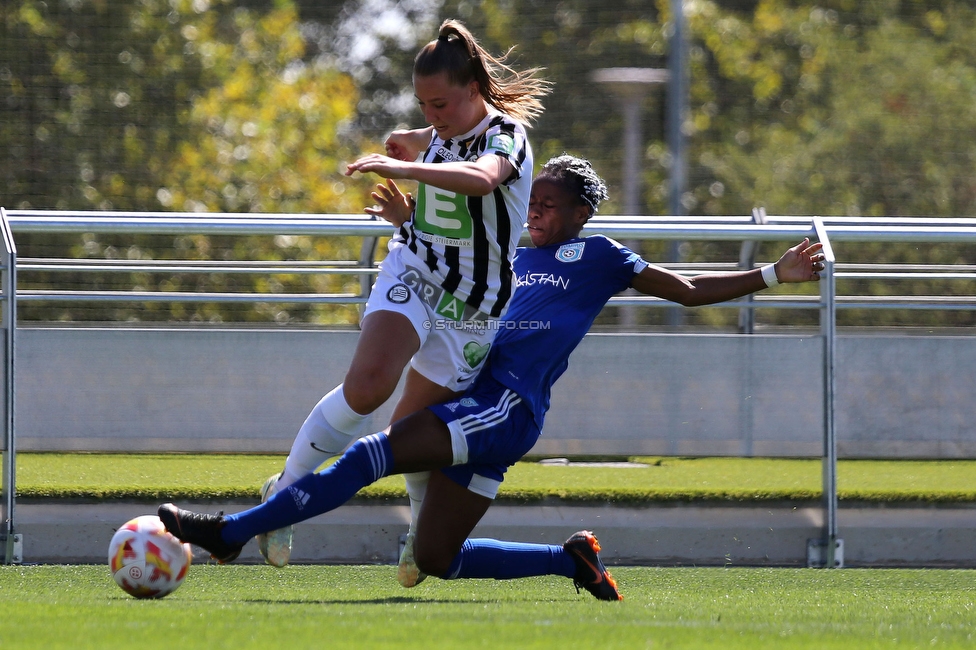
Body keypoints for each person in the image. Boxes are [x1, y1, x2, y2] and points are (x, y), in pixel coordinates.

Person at [158, 155, 825, 601]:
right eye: (531, 201)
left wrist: (774, 274)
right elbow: (449, 263)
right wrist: (410, 223)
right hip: (483, 405)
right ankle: (571, 560)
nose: (535, 211)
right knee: (439, 556)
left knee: (374, 453)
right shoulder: (507, 254)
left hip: (503, 406)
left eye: (549, 204)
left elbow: (685, 289)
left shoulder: (596, 254)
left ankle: (233, 531)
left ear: (579, 214)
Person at [254, 19, 551, 568]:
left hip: (474, 308)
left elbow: (482, 179)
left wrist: (403, 161)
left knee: (411, 434)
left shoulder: (505, 136)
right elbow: (434, 154)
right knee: (368, 386)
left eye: (440, 104)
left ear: (473, 90)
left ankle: (418, 537)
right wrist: (408, 192)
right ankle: (285, 498)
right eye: (423, 105)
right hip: (414, 268)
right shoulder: (439, 130)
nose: (431, 116)